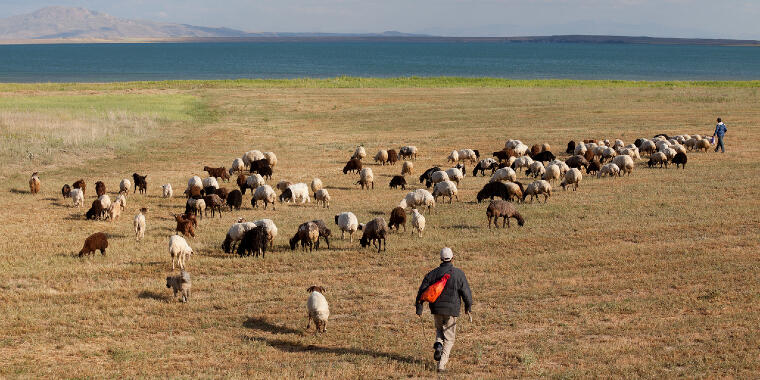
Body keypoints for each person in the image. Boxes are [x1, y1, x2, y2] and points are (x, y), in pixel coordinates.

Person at [415, 247, 473, 373]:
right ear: (453, 258)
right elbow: (466, 292)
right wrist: (468, 307)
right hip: (451, 310)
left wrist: (419, 308)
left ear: (441, 259)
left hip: (436, 309)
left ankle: (438, 345)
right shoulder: (458, 273)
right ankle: (441, 365)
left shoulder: (432, 273)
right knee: (449, 338)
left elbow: (421, 292)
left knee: (439, 330)